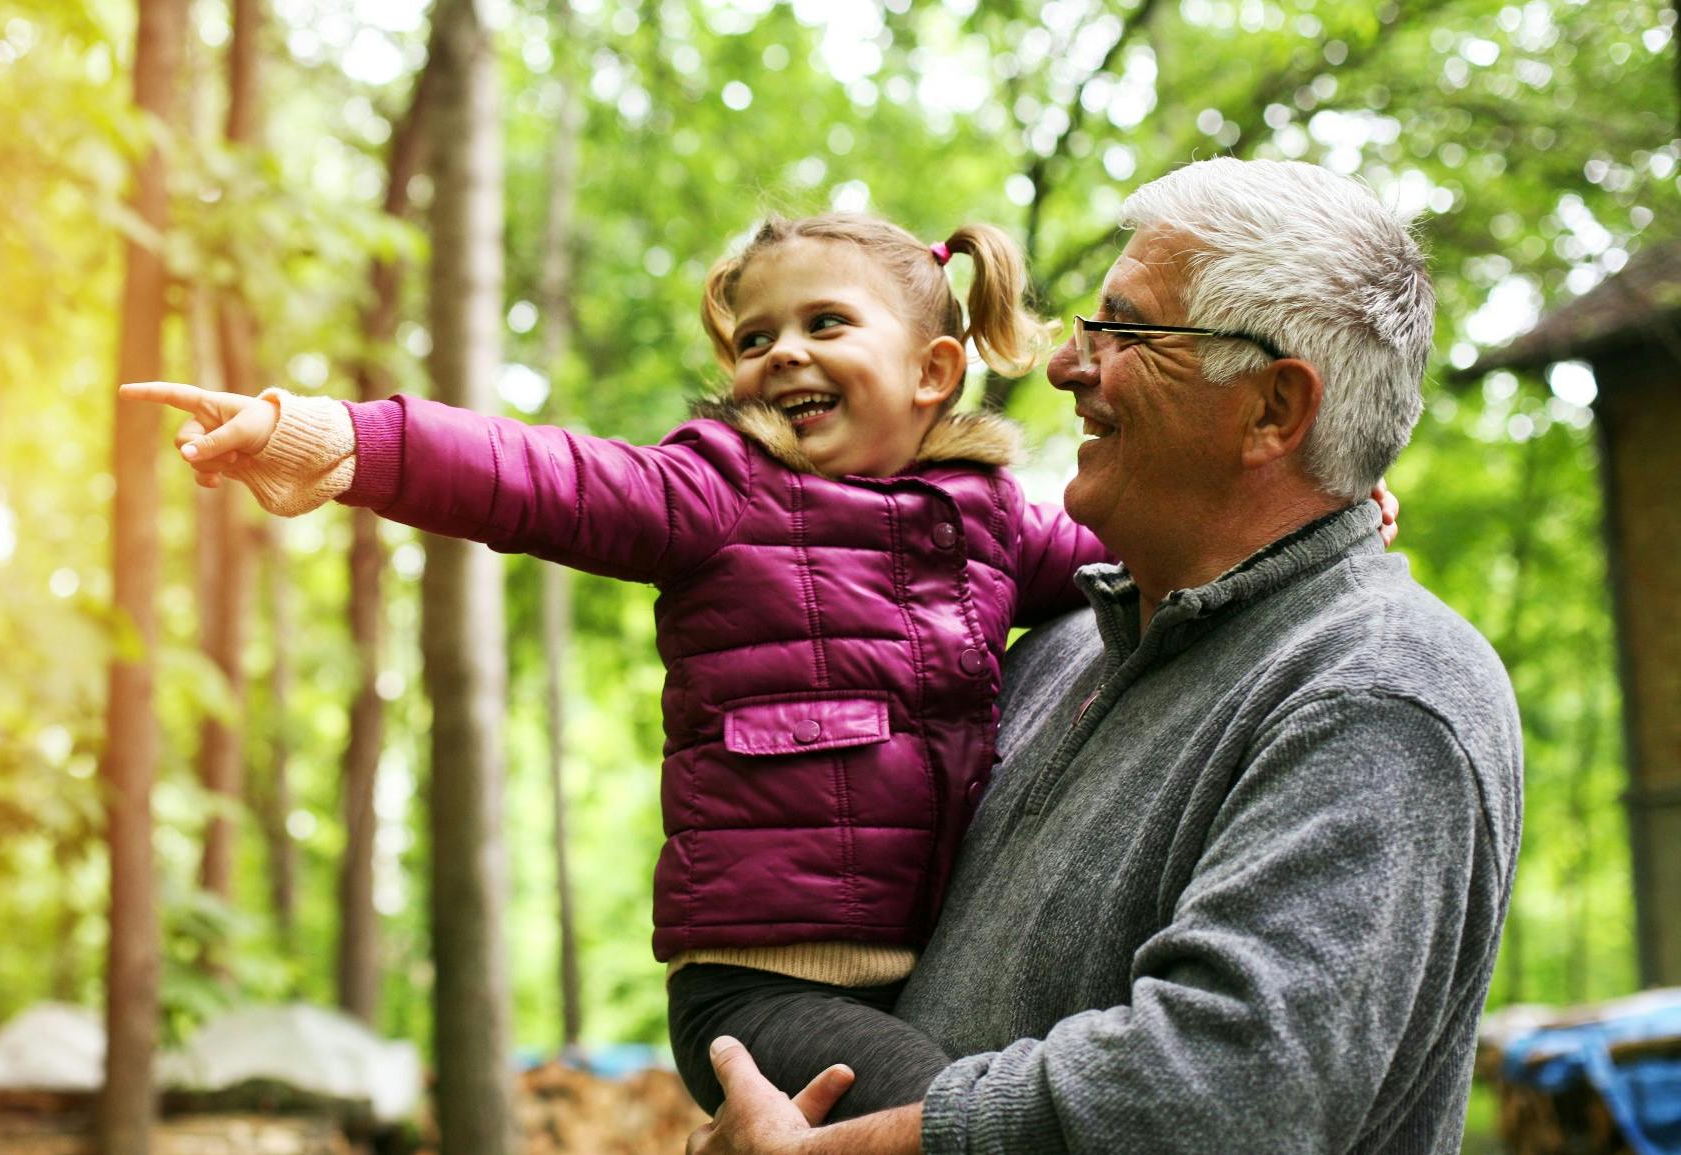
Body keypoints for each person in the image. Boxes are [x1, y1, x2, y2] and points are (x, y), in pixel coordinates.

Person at [123, 213, 1117, 1119]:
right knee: (969, 1119)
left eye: (826, 324)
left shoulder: (984, 524)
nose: (785, 355)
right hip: (761, 987)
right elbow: (541, 477)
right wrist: (333, 436)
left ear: (932, 371)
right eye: (756, 338)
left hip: (930, 964)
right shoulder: (719, 491)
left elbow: (1124, 552)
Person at [685, 157, 1523, 1155]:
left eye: (1123, 331)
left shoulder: (1378, 691)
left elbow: (1219, 1096)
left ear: (1271, 409)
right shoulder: (1052, 656)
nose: (1064, 365)